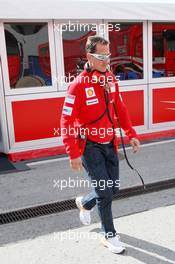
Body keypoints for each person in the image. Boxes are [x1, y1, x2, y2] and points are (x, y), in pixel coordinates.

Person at [60, 36, 140, 254]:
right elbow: (66, 121)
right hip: (89, 147)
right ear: (89, 57)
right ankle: (109, 235)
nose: (106, 61)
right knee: (105, 192)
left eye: (108, 56)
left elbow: (120, 109)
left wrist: (130, 133)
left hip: (110, 144)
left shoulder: (111, 79)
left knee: (113, 188)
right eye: (101, 56)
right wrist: (72, 152)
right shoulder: (77, 86)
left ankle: (85, 203)